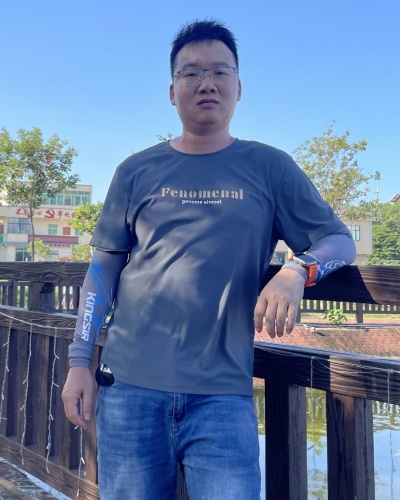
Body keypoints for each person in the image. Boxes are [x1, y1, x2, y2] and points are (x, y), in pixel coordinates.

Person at [62, 19, 356, 499]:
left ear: (239, 87)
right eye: (191, 73)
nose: (207, 83)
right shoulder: (136, 171)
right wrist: (80, 362)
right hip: (129, 388)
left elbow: (339, 241)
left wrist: (296, 270)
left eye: (220, 71)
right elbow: (102, 272)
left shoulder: (270, 167)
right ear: (171, 91)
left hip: (223, 396)